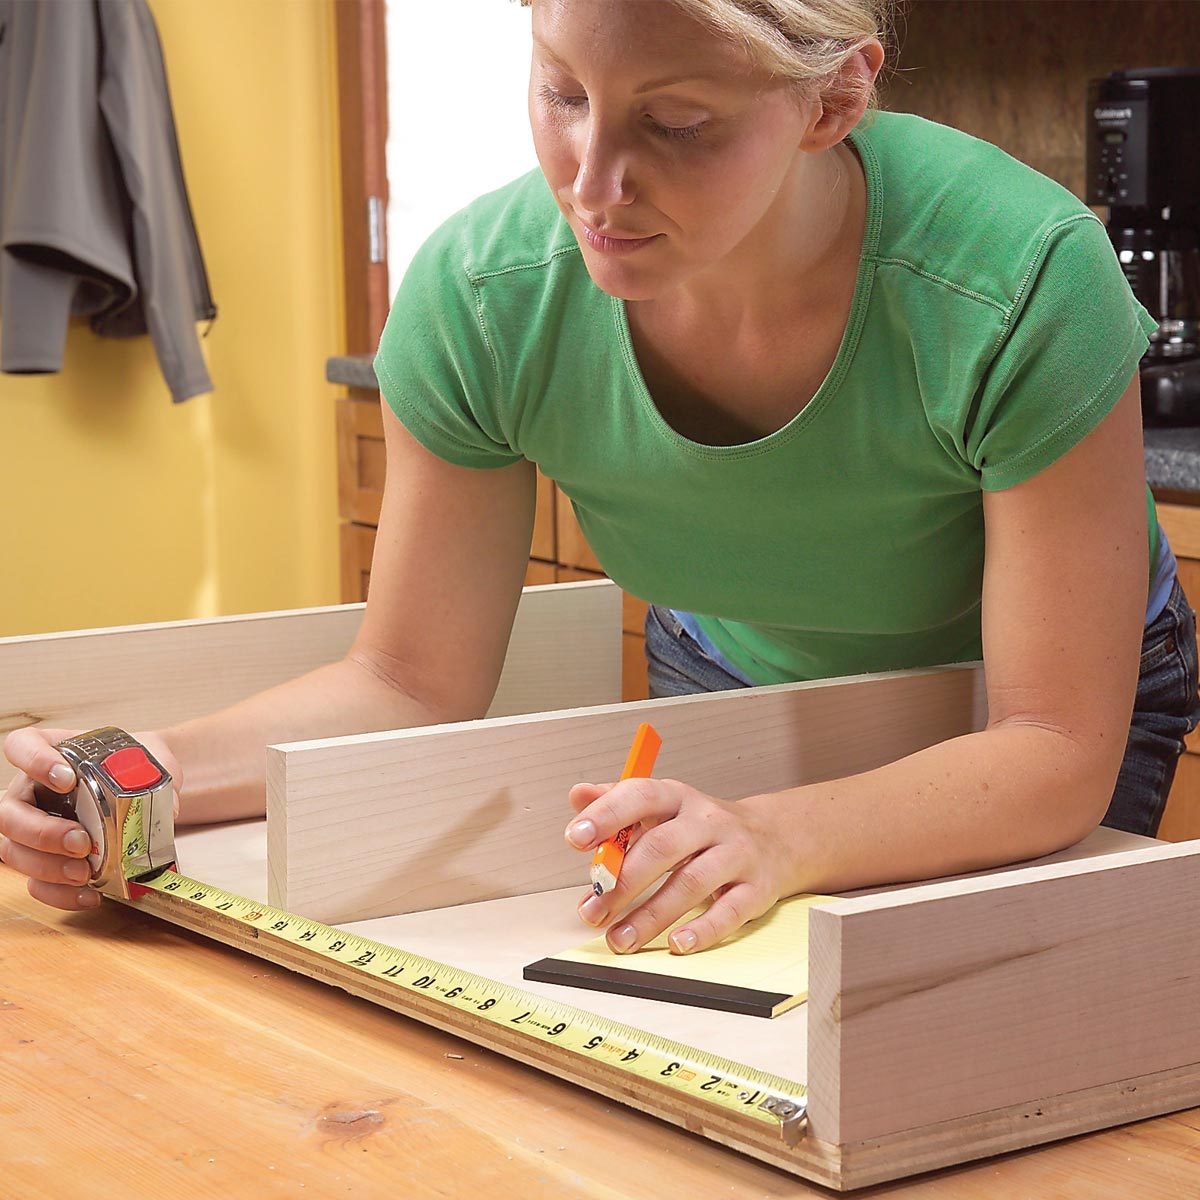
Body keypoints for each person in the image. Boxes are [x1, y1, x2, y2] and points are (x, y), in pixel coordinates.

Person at [3, 0, 1198, 959]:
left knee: (967, 1047)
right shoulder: (485, 299)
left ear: (833, 99)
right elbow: (408, 681)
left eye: (677, 123)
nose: (593, 181)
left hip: (1025, 715)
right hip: (734, 668)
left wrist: (780, 837)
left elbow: (1049, 743)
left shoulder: (1022, 280)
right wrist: (127, 770)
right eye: (563, 93)